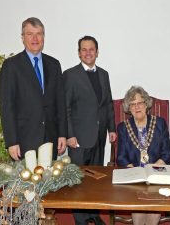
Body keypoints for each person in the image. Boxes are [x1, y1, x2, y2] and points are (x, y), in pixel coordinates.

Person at [63, 35, 116, 225]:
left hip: (99, 137)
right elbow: (65, 108)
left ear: (97, 52)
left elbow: (108, 104)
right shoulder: (70, 75)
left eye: (91, 49)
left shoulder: (104, 74)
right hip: (78, 138)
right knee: (78, 179)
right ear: (79, 53)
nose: (88, 53)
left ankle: (93, 214)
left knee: (95, 179)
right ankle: (80, 219)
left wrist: (111, 128)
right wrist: (69, 134)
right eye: (84, 49)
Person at [0, 17, 67, 161]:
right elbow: (7, 107)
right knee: (27, 182)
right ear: (23, 38)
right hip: (24, 140)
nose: (35, 38)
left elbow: (60, 102)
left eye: (39, 33)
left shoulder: (54, 65)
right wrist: (11, 142)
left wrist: (62, 134)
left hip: (51, 138)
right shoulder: (11, 66)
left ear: (44, 37)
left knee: (50, 181)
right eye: (30, 34)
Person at [117, 86, 170, 225]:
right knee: (138, 194)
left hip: (156, 172)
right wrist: (136, 172)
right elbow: (121, 157)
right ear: (128, 108)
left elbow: (167, 152)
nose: (137, 107)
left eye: (140, 102)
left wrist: (155, 168)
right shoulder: (123, 127)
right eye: (132, 104)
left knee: (153, 194)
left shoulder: (159, 123)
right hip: (135, 175)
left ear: (146, 104)